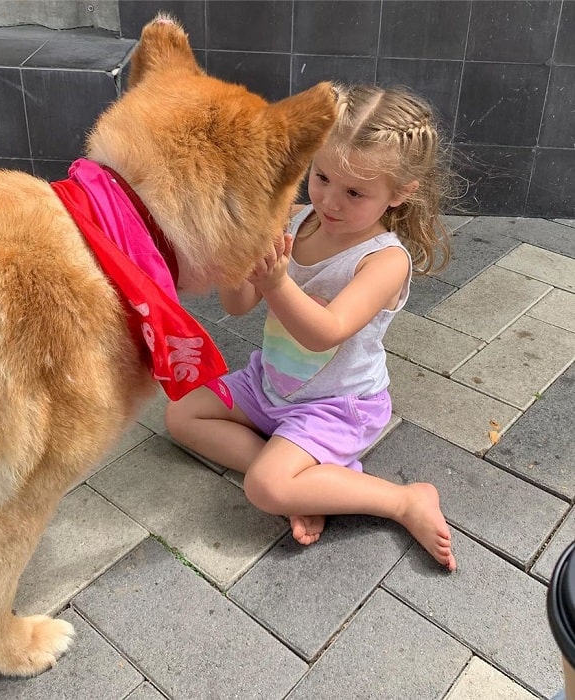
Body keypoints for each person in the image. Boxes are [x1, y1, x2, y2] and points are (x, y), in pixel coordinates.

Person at [165, 84, 457, 571]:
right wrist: (235, 260)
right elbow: (238, 306)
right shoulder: (298, 221)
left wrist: (277, 281)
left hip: (337, 405)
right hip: (270, 383)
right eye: (321, 177)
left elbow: (326, 331)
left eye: (355, 192)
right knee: (180, 415)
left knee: (264, 487)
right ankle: (306, 478)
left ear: (400, 195)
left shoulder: (384, 261)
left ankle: (402, 500)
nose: (330, 201)